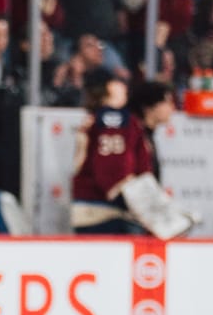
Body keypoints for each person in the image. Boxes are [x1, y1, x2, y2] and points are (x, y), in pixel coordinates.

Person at [70, 76, 190, 236]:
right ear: (149, 107)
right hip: (104, 214)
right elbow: (112, 175)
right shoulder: (118, 121)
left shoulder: (134, 128)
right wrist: (152, 213)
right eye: (167, 102)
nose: (172, 108)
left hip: (111, 213)